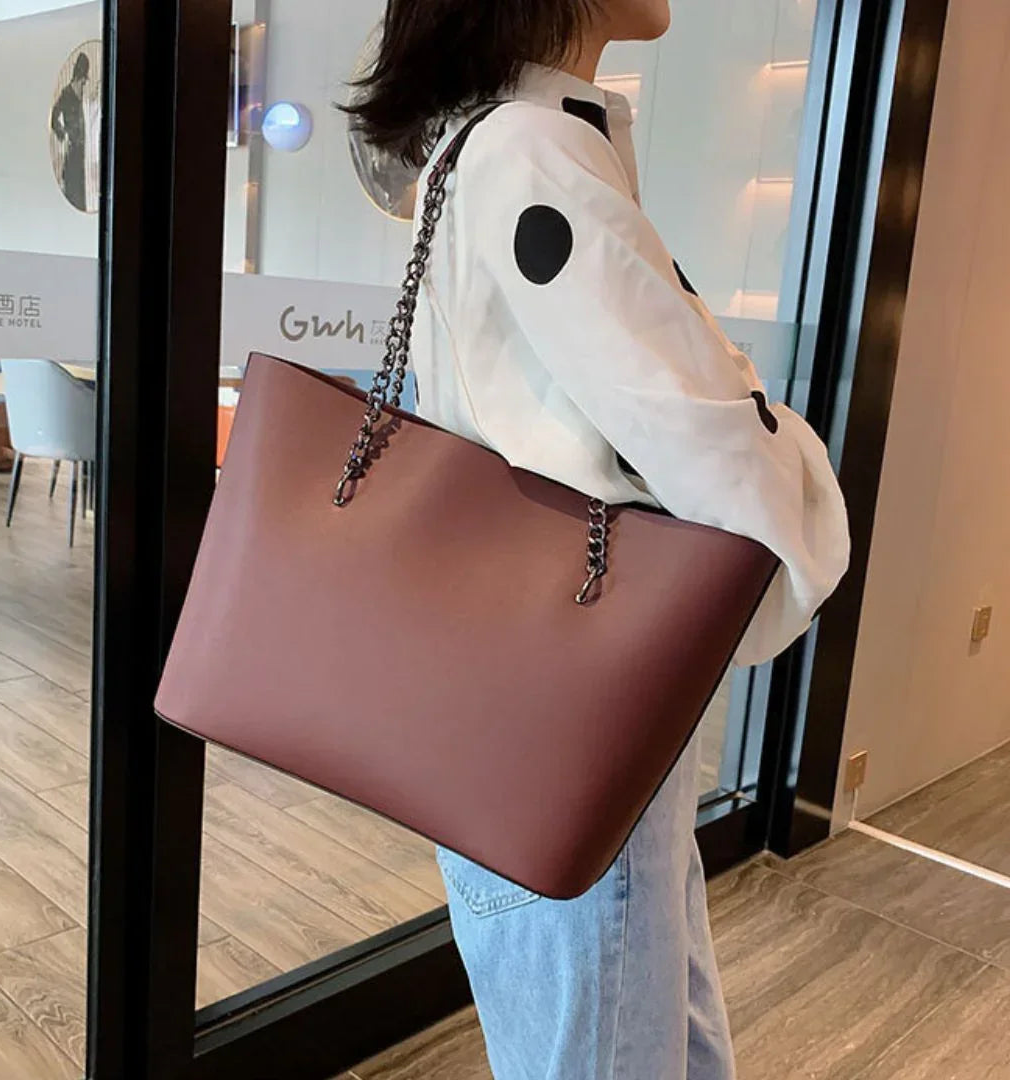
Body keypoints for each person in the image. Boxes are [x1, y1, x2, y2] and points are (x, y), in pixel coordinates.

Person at [347, 2, 850, 1077]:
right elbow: (708, 438)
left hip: (519, 702)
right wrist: (806, 490)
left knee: (648, 1027)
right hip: (569, 715)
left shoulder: (499, 143)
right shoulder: (534, 153)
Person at [51, 53, 90, 212]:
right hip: (72, 150)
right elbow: (54, 117)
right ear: (78, 76)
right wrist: (63, 134)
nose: (84, 83)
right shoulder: (66, 93)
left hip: (81, 151)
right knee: (72, 188)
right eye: (83, 79)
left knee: (80, 193)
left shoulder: (80, 93)